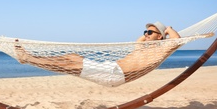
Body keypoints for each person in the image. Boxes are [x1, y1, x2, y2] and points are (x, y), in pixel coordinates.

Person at [15, 22, 181, 86]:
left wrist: (168, 30)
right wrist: (149, 34)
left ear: (159, 36)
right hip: (110, 69)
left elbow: (177, 41)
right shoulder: (144, 48)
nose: (146, 34)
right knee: (72, 57)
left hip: (114, 74)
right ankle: (30, 58)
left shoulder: (160, 49)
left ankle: (28, 58)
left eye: (150, 32)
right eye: (145, 31)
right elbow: (139, 41)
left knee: (73, 62)